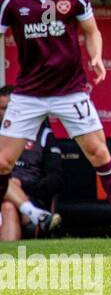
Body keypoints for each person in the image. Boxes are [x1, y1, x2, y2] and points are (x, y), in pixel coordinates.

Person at [0, 0, 111, 240]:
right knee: (2, 162)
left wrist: (97, 57)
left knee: (99, 154)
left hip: (70, 91)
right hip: (29, 94)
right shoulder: (12, 0)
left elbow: (92, 31)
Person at [0, 85, 63, 240]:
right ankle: (37, 216)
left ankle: (8, 262)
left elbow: (56, 179)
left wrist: (23, 186)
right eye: (3, 109)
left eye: (11, 108)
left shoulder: (43, 134)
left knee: (8, 206)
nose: (8, 113)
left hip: (31, 195)